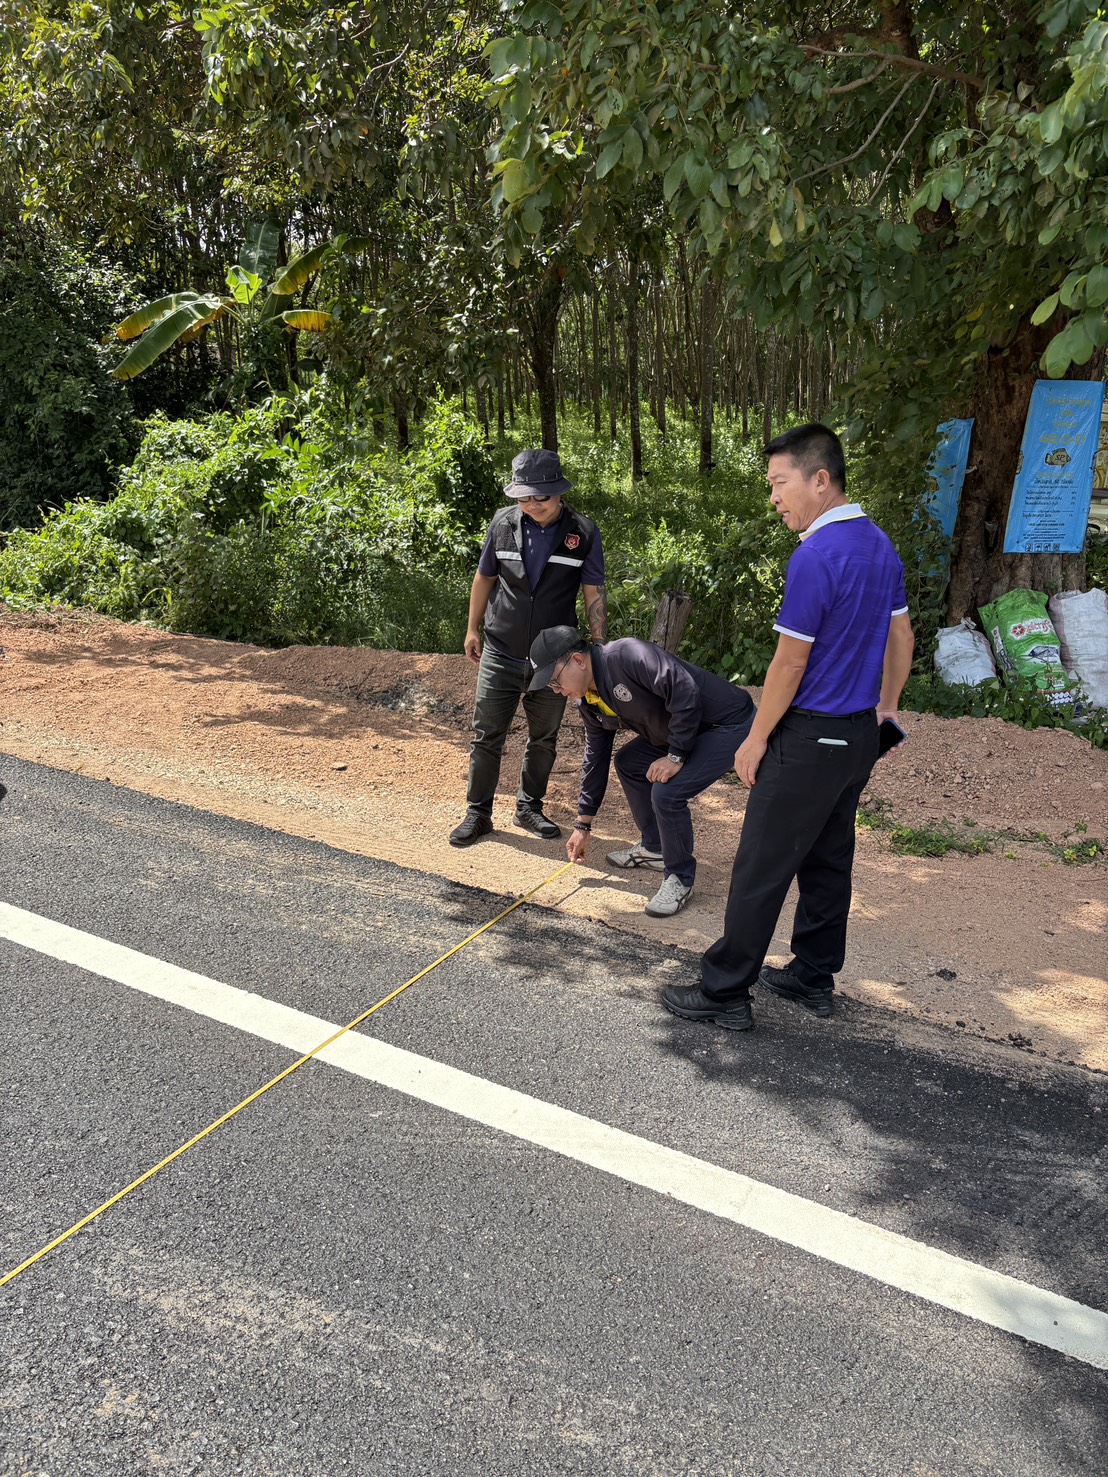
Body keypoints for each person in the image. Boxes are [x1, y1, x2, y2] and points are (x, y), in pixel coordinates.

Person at [663, 423, 914, 1031]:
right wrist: (887, 709)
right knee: (829, 857)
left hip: (808, 738)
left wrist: (755, 739)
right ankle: (812, 975)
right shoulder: (879, 544)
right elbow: (902, 637)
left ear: (820, 480)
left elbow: (789, 663)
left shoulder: (815, 555)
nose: (773, 497)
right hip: (857, 737)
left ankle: (725, 990)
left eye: (780, 483)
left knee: (761, 864)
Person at [528, 625, 756, 917]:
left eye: (555, 680)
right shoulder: (589, 701)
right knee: (629, 762)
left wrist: (675, 756)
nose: (557, 691)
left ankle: (680, 878)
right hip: (682, 731)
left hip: (728, 724)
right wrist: (583, 824)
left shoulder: (628, 655)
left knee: (667, 793)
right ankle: (656, 848)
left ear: (578, 660)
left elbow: (684, 691)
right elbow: (595, 758)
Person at [449, 449, 607, 847]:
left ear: (559, 492)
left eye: (541, 496)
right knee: (486, 735)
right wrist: (471, 628)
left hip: (555, 663)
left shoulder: (584, 533)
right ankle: (478, 813)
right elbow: (484, 578)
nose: (533, 504)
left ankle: (528, 807)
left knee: (543, 738)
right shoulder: (502, 524)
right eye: (524, 496)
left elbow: (593, 592)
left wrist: (599, 646)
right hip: (500, 650)